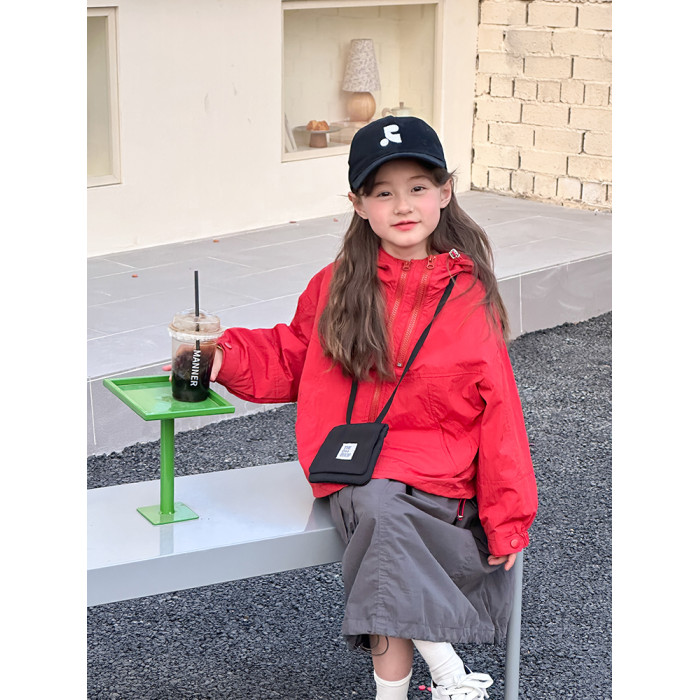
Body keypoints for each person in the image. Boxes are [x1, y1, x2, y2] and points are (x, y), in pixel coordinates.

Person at [210, 116, 538, 700]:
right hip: (356, 463)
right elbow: (294, 354)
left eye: (417, 187)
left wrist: (508, 516)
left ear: (445, 192)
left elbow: (500, 412)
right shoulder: (337, 283)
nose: (402, 205)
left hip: (440, 473)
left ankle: (425, 683)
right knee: (381, 510)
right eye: (382, 192)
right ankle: (447, 673)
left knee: (385, 533)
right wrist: (224, 356)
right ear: (359, 205)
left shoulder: (470, 294)